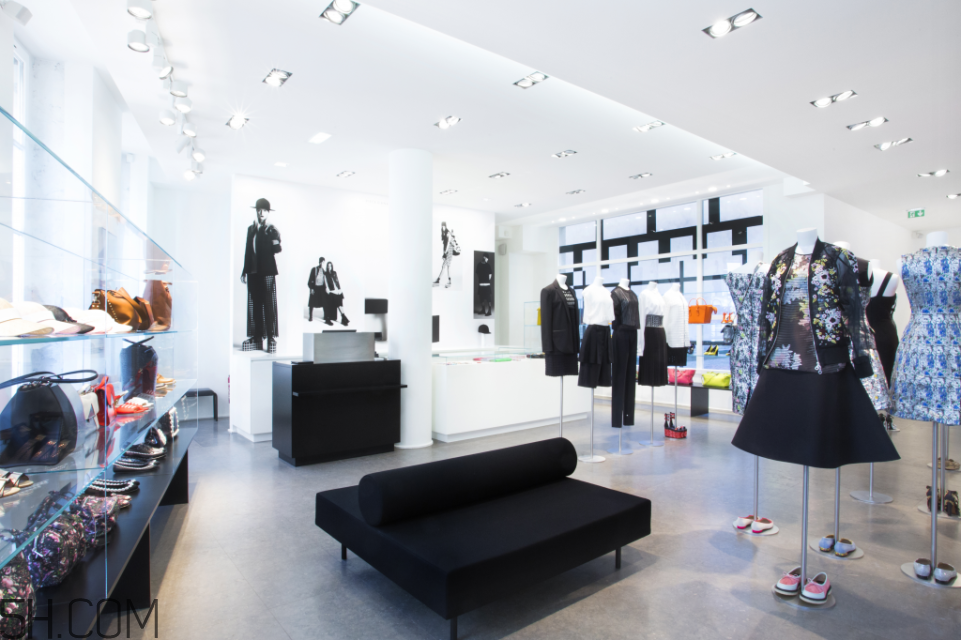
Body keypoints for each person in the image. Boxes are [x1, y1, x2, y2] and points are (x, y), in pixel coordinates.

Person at [241, 198, 281, 353]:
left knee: (268, 304)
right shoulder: (251, 229)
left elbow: (277, 249)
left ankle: (270, 337)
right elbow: (248, 250)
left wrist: (274, 237)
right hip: (253, 272)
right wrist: (245, 270)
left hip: (267, 271)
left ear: (268, 212)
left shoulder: (271, 229)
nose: (261, 213)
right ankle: (258, 338)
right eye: (259, 210)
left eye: (264, 210)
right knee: (255, 305)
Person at [433, 221, 459, 288]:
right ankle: (444, 280)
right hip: (448, 252)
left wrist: (445, 254)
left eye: (444, 226)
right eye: (442, 226)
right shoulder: (445, 233)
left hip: (448, 252)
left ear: (446, 226)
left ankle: (441, 280)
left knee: (445, 266)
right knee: (446, 266)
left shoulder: (447, 233)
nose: (443, 227)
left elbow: (447, 244)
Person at [323, 262, 349, 326]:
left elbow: (337, 281)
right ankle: (343, 317)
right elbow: (326, 283)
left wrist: (339, 289)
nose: (329, 267)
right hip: (331, 290)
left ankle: (343, 316)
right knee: (338, 301)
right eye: (328, 266)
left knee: (340, 302)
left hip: (337, 290)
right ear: (327, 266)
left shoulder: (334, 273)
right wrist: (328, 289)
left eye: (330, 266)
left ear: (332, 266)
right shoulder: (325, 274)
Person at [307, 257, 327, 322]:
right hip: (315, 288)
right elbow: (310, 279)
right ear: (320, 262)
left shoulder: (324, 270)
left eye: (324, 262)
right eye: (322, 262)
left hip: (322, 288)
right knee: (312, 303)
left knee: (324, 302)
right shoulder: (314, 269)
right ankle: (310, 316)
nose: (323, 263)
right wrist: (311, 288)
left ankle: (326, 316)